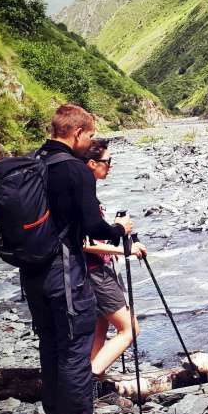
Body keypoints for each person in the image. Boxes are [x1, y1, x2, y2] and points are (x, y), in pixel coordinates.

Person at [22, 105, 132, 414]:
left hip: (32, 271)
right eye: (90, 134)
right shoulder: (75, 170)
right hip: (65, 271)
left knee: (51, 343)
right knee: (73, 344)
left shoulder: (32, 163)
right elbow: (91, 226)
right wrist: (119, 228)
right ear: (78, 133)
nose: (90, 141)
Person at [81, 138, 147, 377]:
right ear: (91, 163)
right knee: (130, 329)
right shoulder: (82, 195)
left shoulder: (83, 192)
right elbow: (85, 244)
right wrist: (125, 250)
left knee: (101, 326)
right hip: (96, 272)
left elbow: (93, 234)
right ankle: (87, 378)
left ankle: (92, 379)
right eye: (108, 161)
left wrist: (124, 236)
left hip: (91, 272)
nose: (110, 166)